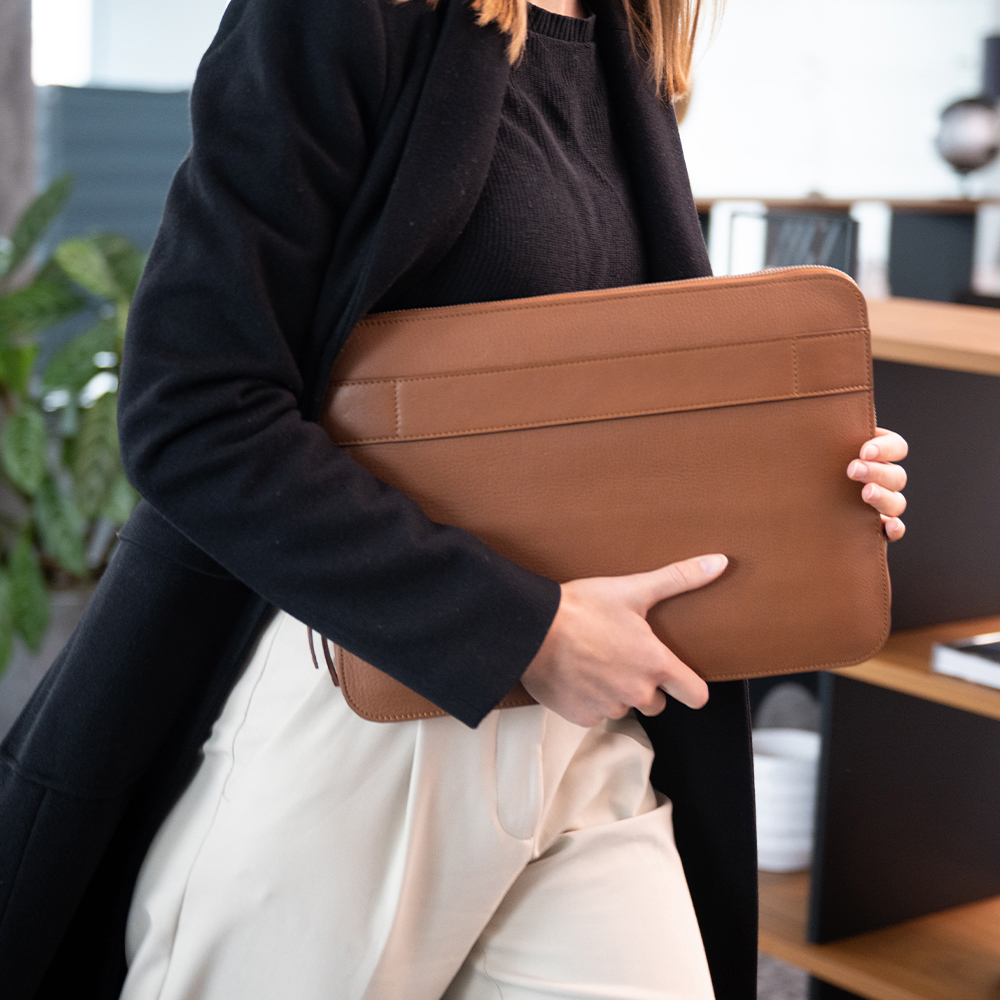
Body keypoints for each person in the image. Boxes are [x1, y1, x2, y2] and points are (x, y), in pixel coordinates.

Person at [0, 0, 907, 997]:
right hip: (367, 710)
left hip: (586, 728)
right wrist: (526, 632)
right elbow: (192, 406)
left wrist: (805, 474)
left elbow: (583, 398)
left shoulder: (626, 43)